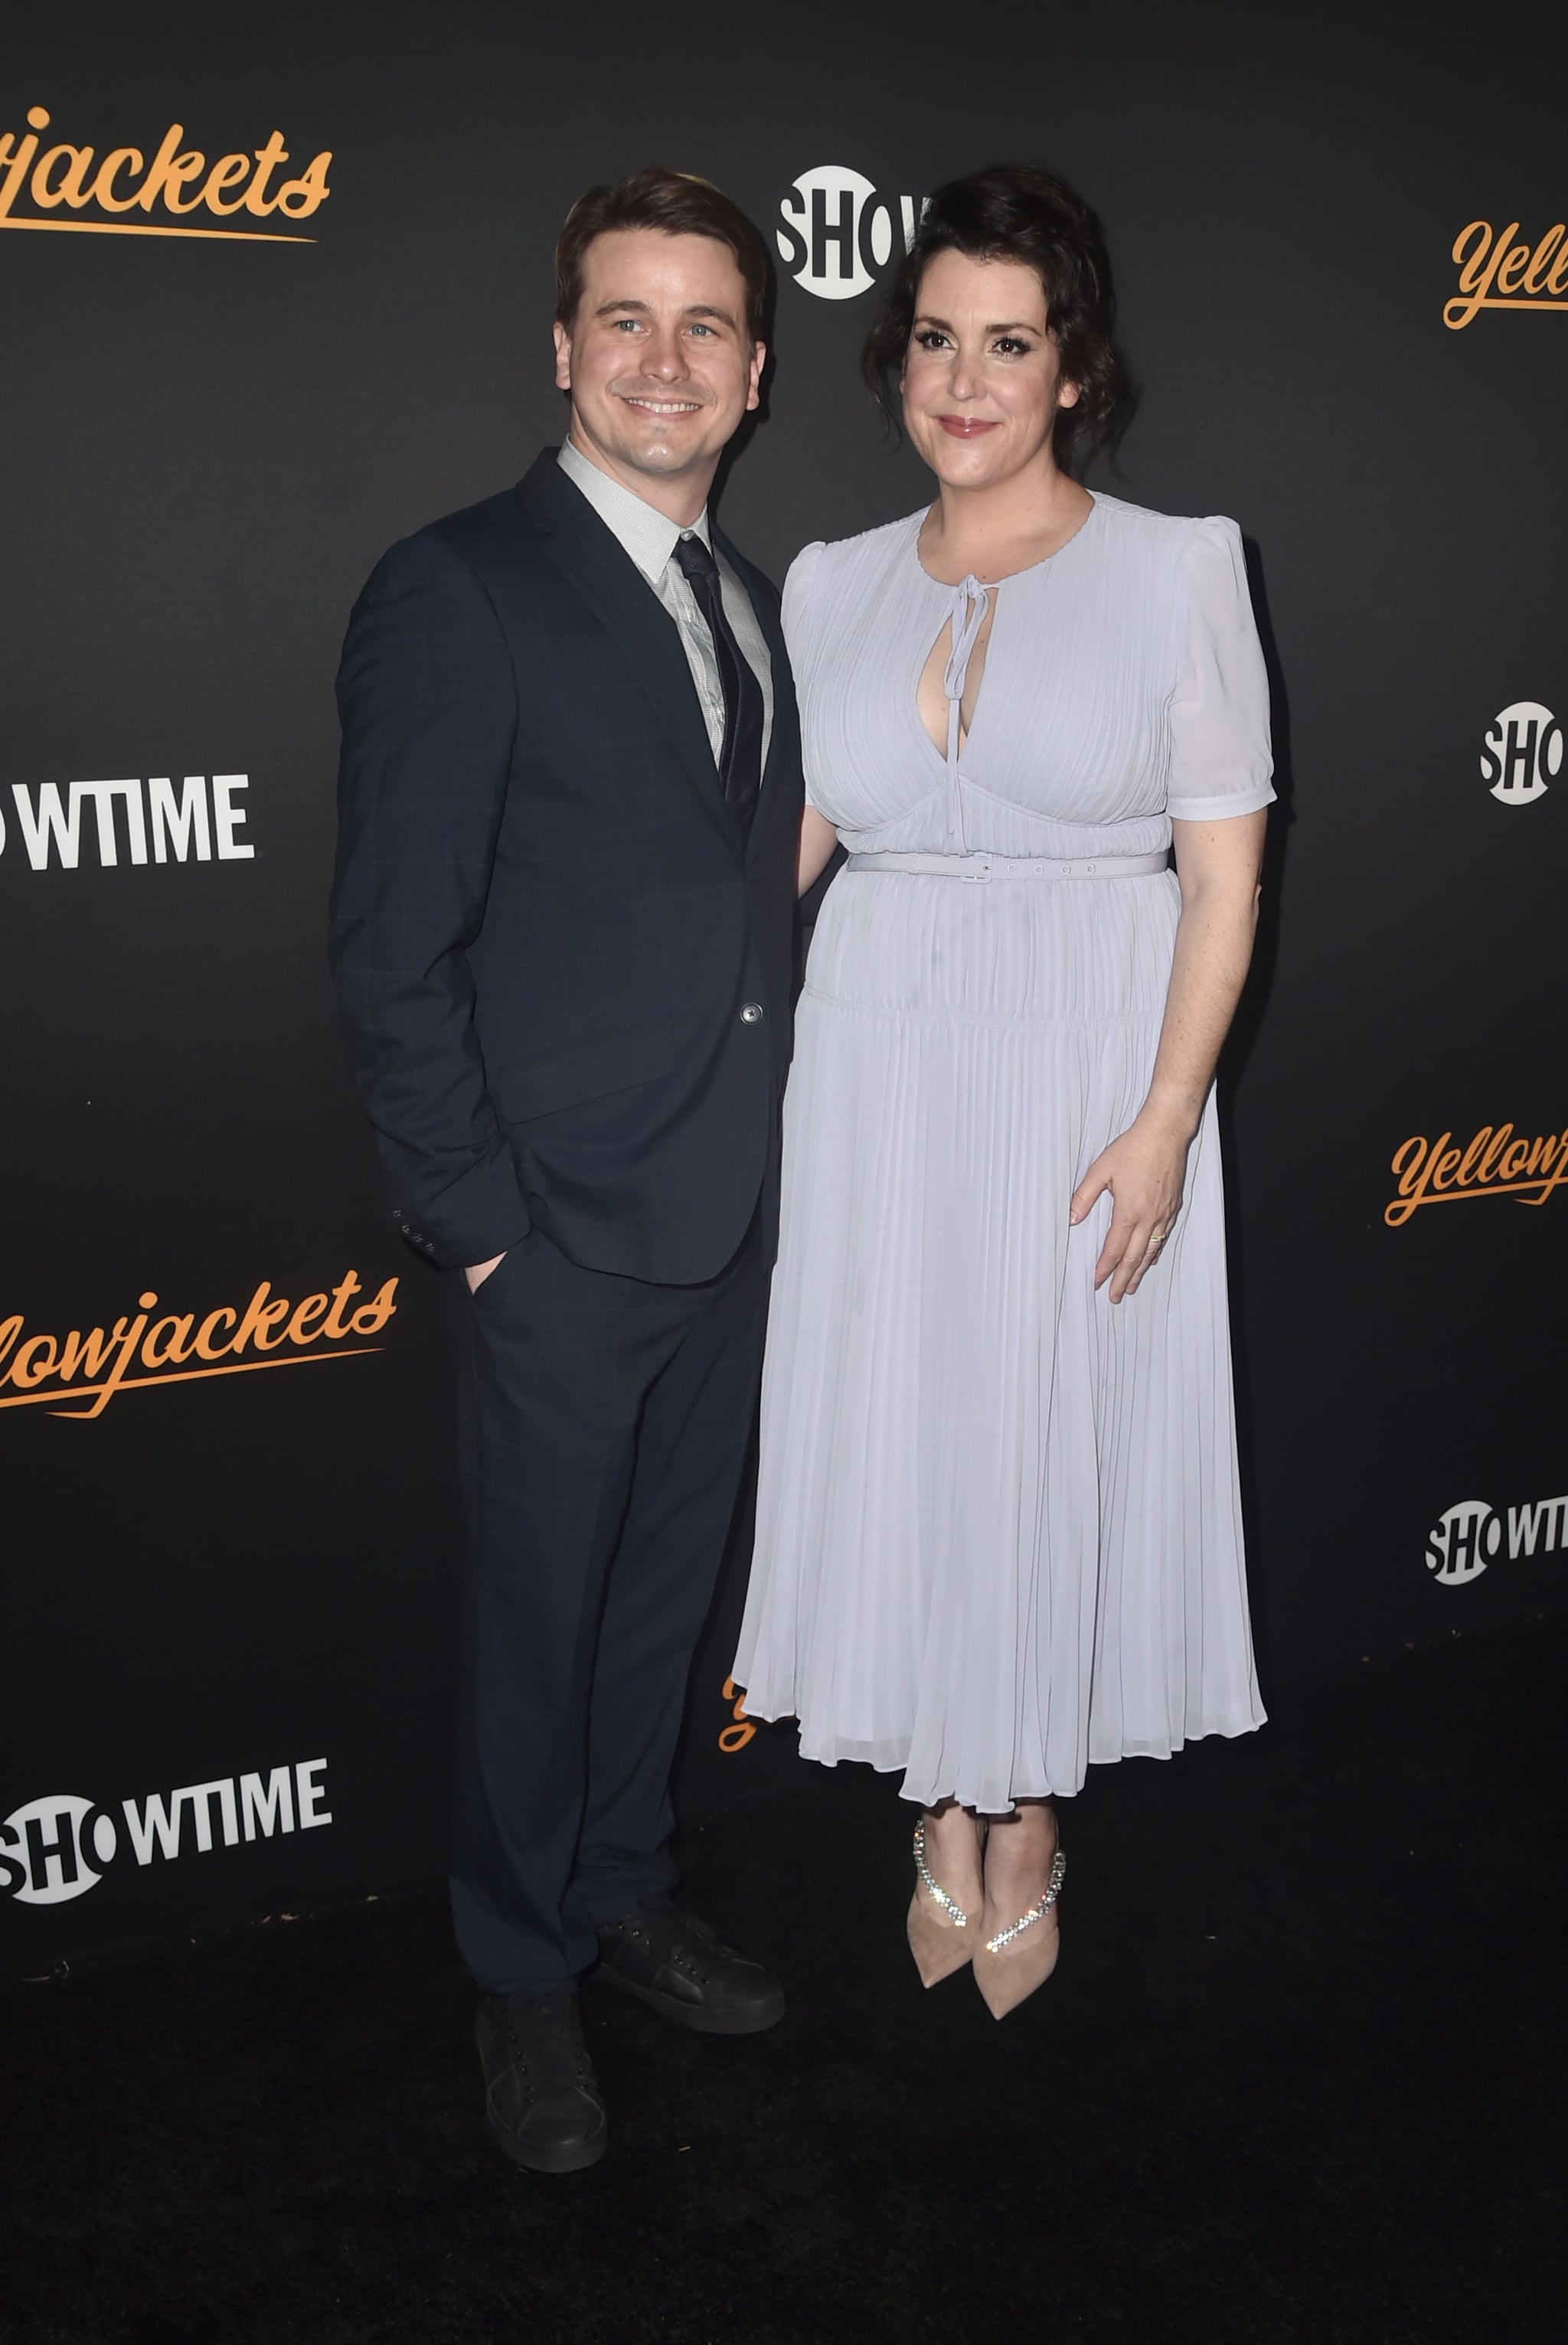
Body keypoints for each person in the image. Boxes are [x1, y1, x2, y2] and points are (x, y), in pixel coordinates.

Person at [734, 163, 1274, 2019]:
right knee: (921, 1426)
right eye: (938, 341)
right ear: (899, 361)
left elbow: (1225, 874)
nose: (967, 380)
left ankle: (1023, 1808)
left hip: (1083, 1075)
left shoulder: (1175, 564)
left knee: (1050, 1429)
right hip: (878, 1075)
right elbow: (775, 862)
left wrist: (1162, 1119)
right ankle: (934, 1796)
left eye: (1011, 343)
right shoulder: (827, 584)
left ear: (1072, 368)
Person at [330, 168, 802, 2170]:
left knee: (652, 1613)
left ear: (757, 372)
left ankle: (620, 1886)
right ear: (563, 349)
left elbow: (737, 900)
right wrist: (486, 1237)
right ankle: (521, 1976)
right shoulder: (458, 583)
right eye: (628, 318)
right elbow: (389, 944)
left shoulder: (758, 602)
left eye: (706, 325)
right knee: (538, 1625)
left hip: (730, 1220)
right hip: (560, 1242)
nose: (666, 358)